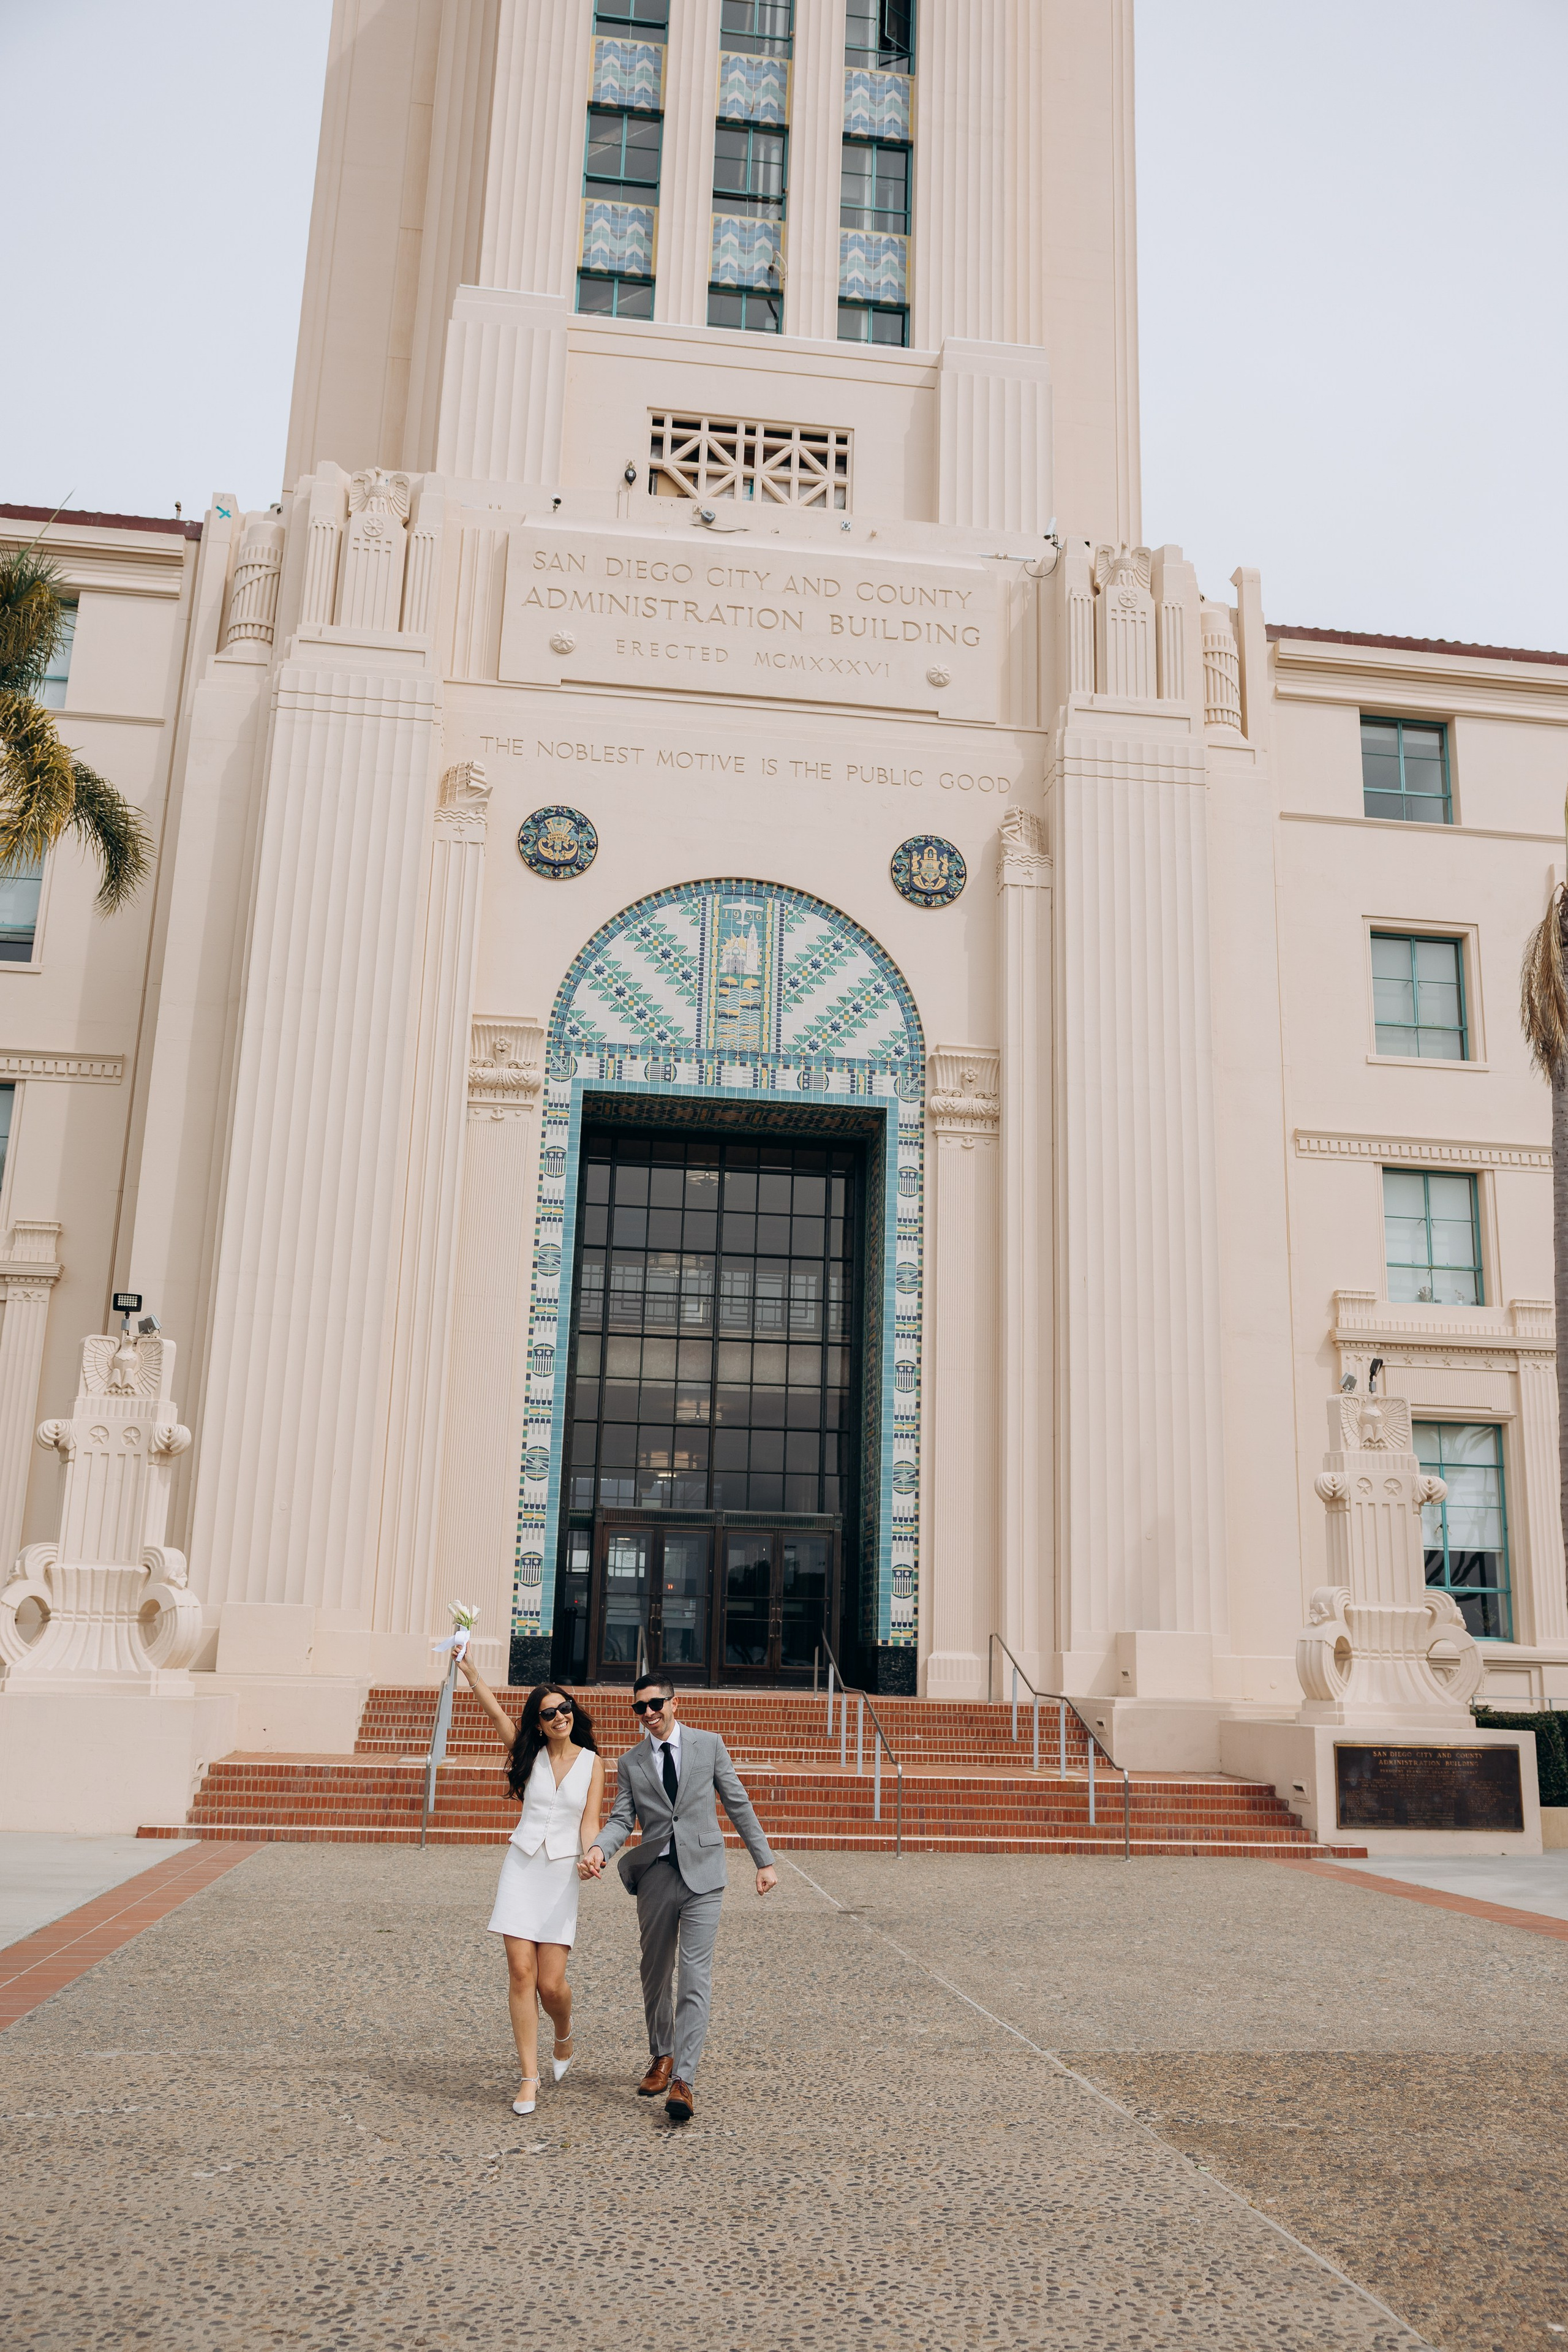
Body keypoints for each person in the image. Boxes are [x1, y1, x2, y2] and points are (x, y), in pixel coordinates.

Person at [582, 1670, 777, 2125]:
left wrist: (763, 1860)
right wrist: (598, 1848)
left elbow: (737, 1801)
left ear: (675, 1703)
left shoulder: (709, 1745)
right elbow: (620, 1819)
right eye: (640, 1709)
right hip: (655, 1876)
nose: (649, 1715)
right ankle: (662, 2054)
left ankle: (683, 2081)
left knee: (694, 1976)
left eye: (656, 1705)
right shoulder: (630, 1762)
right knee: (655, 1971)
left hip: (704, 1876)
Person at [460, 1657, 604, 2116]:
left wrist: (592, 1855)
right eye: (548, 1712)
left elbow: (590, 1822)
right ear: (539, 1725)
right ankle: (529, 2077)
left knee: (551, 1984)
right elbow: (498, 1716)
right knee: (521, 1973)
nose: (560, 1715)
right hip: (521, 1868)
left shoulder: (594, 1763)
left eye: (565, 1707)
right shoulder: (530, 1754)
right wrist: (472, 1672)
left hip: (562, 1875)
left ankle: (564, 2034)